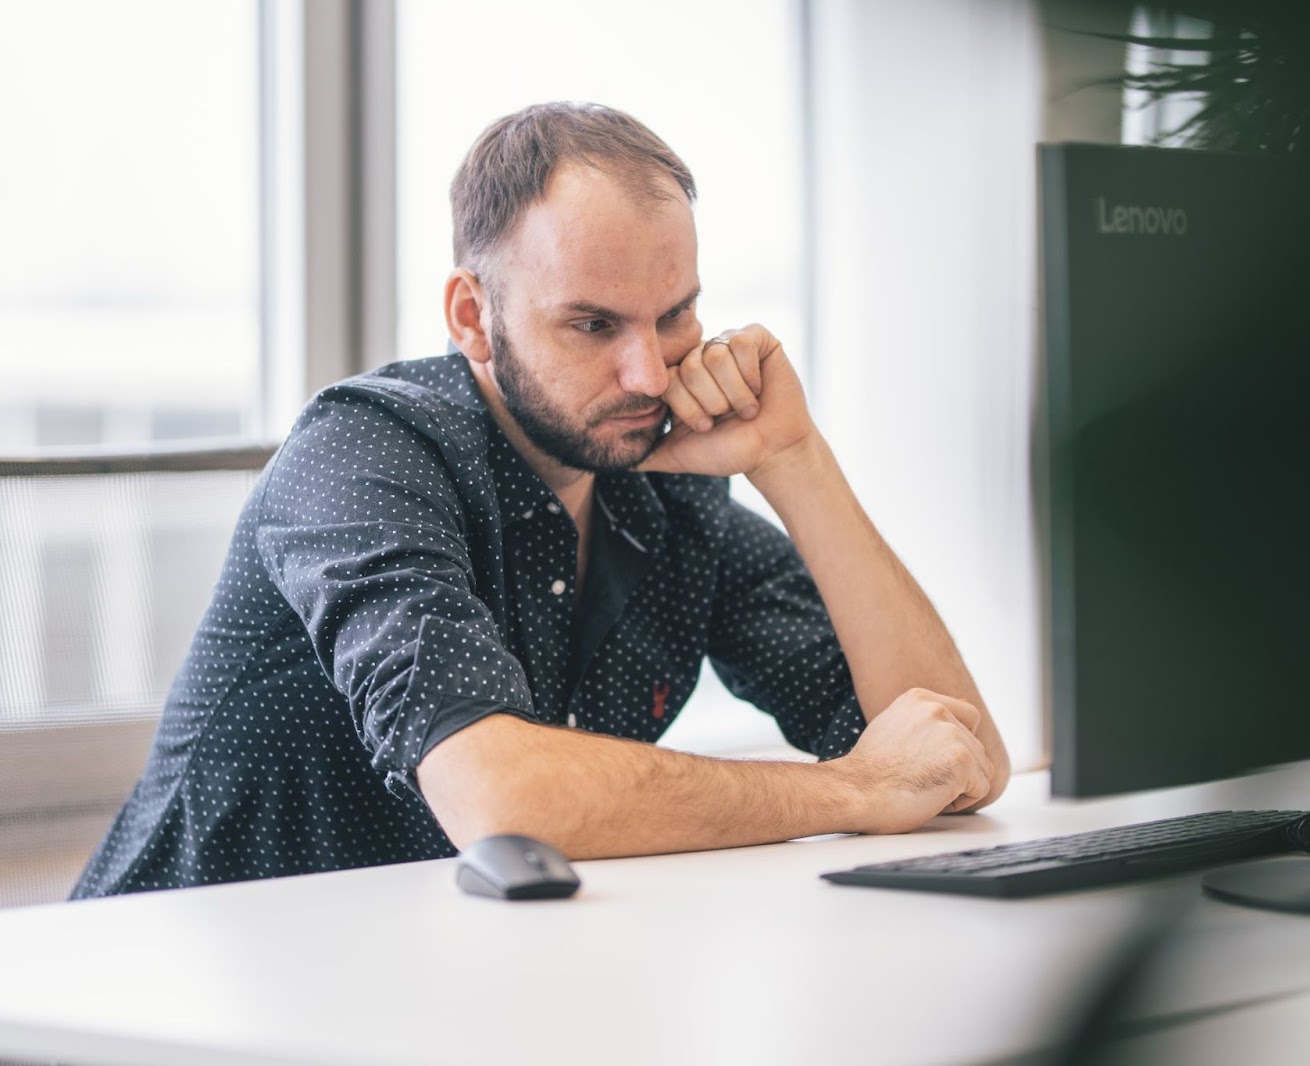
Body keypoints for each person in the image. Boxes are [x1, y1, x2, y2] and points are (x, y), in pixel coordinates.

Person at [71, 102, 1009, 897]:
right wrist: (853, 791)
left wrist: (796, 459)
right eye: (593, 324)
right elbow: (501, 797)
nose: (649, 372)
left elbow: (956, 758)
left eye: (674, 313)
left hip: (419, 996)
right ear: (474, 318)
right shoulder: (363, 453)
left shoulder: (668, 491)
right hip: (157, 1006)